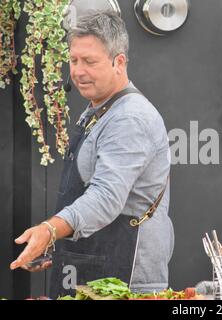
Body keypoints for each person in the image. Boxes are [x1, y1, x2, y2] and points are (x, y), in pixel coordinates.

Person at [10, 11, 174, 298]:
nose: (78, 71)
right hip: (93, 265)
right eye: (74, 60)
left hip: (128, 280)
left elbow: (106, 197)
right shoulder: (100, 108)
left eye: (90, 61)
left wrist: (50, 230)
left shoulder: (129, 118)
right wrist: (61, 245)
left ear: (118, 62)